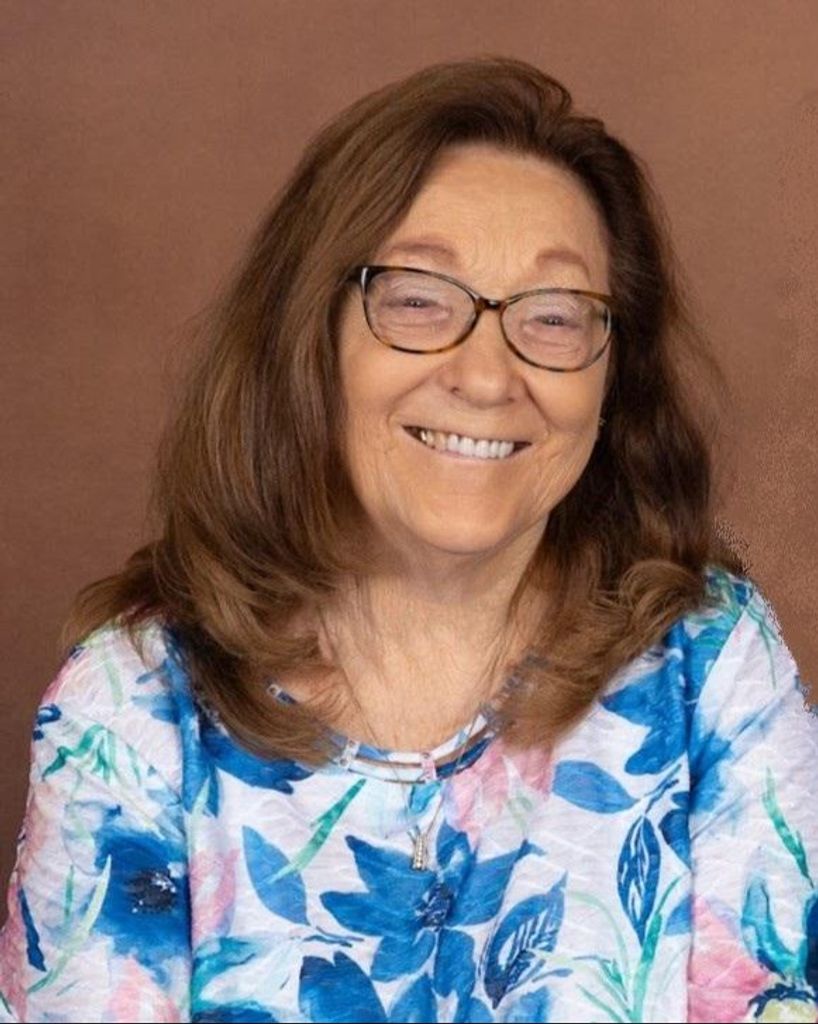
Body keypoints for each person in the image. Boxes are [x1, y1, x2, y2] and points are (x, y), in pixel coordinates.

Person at [1, 55, 815, 1024]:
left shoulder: (709, 668)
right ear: (310, 339)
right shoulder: (130, 711)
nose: (486, 375)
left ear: (611, 380)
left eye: (554, 317)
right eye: (419, 298)